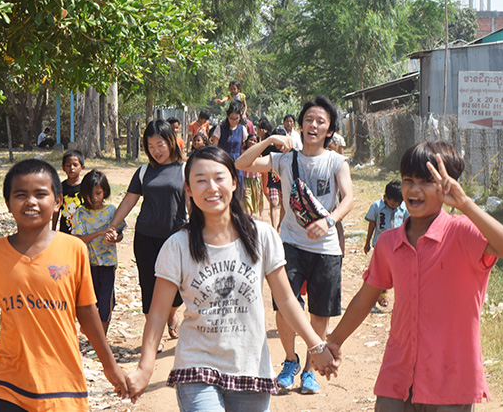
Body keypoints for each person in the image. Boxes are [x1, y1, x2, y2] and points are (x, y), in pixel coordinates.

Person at [125, 146, 336, 410]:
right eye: (200, 180)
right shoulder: (176, 246)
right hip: (196, 365)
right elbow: (157, 314)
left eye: (219, 178)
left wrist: (316, 344)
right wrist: (145, 369)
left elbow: (285, 299)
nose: (211, 187)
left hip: (250, 367)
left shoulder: (262, 236)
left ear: (234, 182)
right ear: (188, 189)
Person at [326, 141, 503, 411]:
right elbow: (365, 297)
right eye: (408, 180)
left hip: (452, 380)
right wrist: (333, 341)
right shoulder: (389, 243)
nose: (414, 189)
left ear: (448, 185)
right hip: (398, 375)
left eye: (427, 181)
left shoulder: (462, 233)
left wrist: (465, 204)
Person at [0, 159, 128, 411]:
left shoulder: (74, 249)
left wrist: (109, 365)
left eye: (41, 194)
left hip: (63, 383)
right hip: (10, 385)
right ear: (8, 204)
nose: (31, 202)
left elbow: (86, 311)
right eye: (20, 195)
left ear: (58, 201)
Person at [236, 96, 354, 394]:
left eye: (320, 122)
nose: (313, 125)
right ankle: (290, 360)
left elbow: (349, 198)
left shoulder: (336, 162)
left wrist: (328, 221)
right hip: (289, 244)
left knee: (320, 312)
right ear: (300, 125)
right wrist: (271, 141)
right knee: (285, 308)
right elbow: (241, 163)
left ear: (329, 130)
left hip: (326, 248)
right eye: (309, 120)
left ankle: (310, 370)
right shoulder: (285, 159)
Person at [105, 119, 185, 348]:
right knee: (148, 284)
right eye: (150, 146)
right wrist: (113, 226)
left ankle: (171, 314)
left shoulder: (184, 169)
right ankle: (155, 334)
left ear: (170, 141)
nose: (156, 151)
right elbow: (129, 200)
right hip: (146, 237)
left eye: (159, 144)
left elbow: (191, 203)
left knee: (176, 288)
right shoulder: (143, 172)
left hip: (176, 238)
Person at [72, 170, 125, 335]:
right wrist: (100, 232)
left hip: (108, 263)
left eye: (98, 193)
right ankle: (93, 332)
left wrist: (115, 237)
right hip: (88, 265)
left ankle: (102, 335)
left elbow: (120, 232)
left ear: (105, 192)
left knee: (107, 300)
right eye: (90, 194)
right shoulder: (80, 213)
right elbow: (78, 239)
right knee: (90, 300)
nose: (94, 198)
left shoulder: (111, 211)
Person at [363, 179, 409, 309]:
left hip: (398, 248)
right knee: (377, 274)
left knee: (395, 275)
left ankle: (390, 298)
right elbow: (372, 224)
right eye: (393, 201)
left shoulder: (404, 209)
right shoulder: (377, 207)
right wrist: (367, 243)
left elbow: (408, 226)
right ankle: (371, 302)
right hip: (380, 247)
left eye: (398, 202)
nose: (395, 204)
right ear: (385, 197)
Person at [211, 100, 248, 195]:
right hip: (223, 161)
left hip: (238, 163)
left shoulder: (242, 130)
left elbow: (245, 146)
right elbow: (214, 148)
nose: (234, 121)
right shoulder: (220, 129)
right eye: (232, 118)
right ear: (228, 117)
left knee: (238, 189)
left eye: (237, 119)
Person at [52, 149, 85, 234]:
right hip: (65, 231)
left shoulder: (86, 187)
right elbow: (56, 210)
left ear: (82, 167)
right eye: (68, 165)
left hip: (84, 231)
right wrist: (53, 229)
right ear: (63, 168)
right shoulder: (60, 188)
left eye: (75, 165)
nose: (72, 168)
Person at [242, 133, 264, 217]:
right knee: (247, 201)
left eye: (255, 141)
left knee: (257, 201)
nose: (252, 142)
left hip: (256, 180)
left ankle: (259, 218)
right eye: (250, 140)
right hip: (245, 180)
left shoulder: (258, 153)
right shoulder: (242, 152)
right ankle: (249, 219)